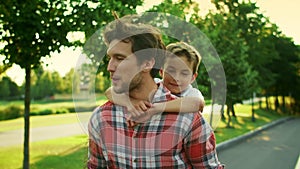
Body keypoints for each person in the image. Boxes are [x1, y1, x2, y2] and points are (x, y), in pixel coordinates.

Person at [87, 14, 224, 168]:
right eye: (110, 58)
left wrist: (154, 109)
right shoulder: (100, 118)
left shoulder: (188, 119)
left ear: (147, 63)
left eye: (120, 58)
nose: (110, 67)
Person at [105, 41, 205, 123]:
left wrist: (154, 108)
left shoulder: (191, 93)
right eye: (171, 71)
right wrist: (132, 104)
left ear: (193, 78)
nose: (176, 78)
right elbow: (110, 92)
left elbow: (197, 103)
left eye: (184, 73)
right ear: (161, 71)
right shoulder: (155, 85)